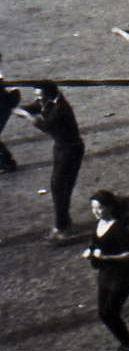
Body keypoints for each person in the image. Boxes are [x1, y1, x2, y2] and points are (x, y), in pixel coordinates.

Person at [15, 81, 85, 241]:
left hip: (71, 150)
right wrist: (15, 108)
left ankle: (62, 228)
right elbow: (32, 107)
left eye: (40, 95)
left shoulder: (61, 108)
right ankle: (64, 223)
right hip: (61, 148)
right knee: (58, 187)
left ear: (49, 94)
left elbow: (45, 125)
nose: (37, 98)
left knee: (61, 187)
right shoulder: (48, 101)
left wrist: (26, 115)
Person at [82, 191, 129, 351]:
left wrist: (105, 257)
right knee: (103, 313)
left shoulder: (119, 229)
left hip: (122, 277)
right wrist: (89, 250)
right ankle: (128, 344)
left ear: (110, 207)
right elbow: (97, 242)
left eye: (99, 208)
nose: (95, 212)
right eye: (93, 208)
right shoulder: (99, 224)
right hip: (106, 275)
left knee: (110, 313)